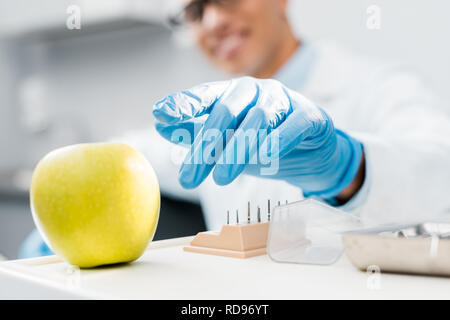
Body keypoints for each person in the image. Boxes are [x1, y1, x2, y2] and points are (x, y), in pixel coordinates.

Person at [21, 0, 450, 258]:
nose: (212, 23)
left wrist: (346, 166)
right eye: (194, 10)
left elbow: (438, 173)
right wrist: (56, 232)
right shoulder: (211, 120)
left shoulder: (379, 86)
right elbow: (137, 154)